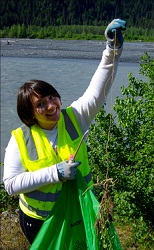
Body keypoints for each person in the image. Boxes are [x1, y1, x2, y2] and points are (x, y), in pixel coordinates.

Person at [3, 18, 126, 245]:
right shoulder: (20, 139)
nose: (51, 106)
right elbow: (10, 185)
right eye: (40, 104)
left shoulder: (75, 118)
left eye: (52, 97)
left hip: (77, 213)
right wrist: (56, 173)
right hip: (40, 221)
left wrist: (112, 49)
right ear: (29, 114)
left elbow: (98, 88)